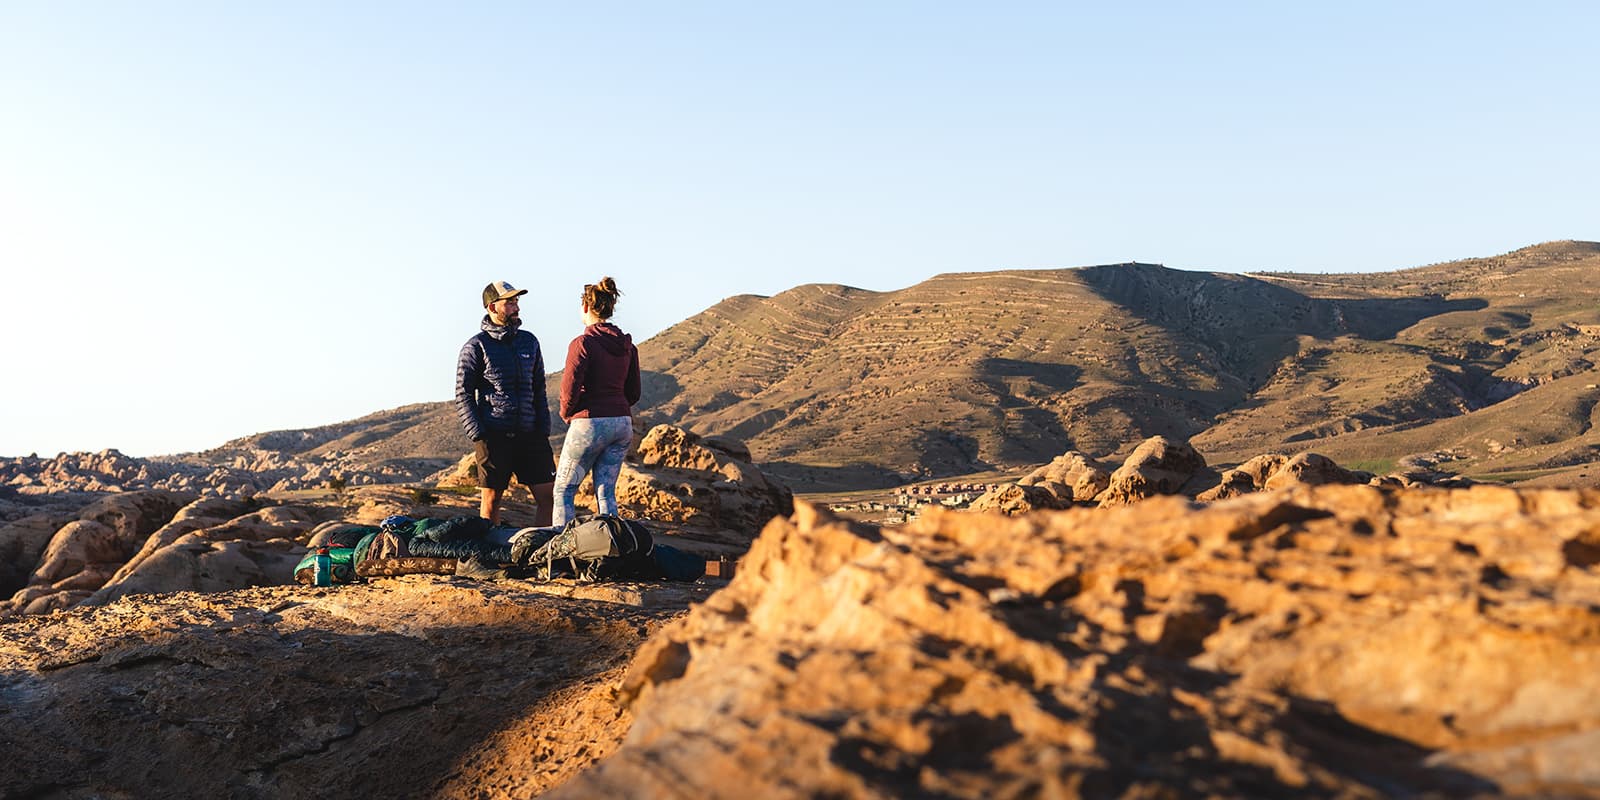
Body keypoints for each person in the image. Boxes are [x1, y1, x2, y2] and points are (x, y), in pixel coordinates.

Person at [456, 280, 555, 526]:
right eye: (510, 302)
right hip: (494, 435)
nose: (516, 307)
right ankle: (487, 560)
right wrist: (478, 433)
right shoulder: (476, 346)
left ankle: (543, 556)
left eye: (516, 301)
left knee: (549, 498)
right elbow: (463, 392)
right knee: (491, 501)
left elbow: (539, 388)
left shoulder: (529, 341)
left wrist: (543, 427)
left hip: (531, 435)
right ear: (492, 306)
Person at [552, 277, 641, 527]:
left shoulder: (583, 343)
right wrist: (618, 406)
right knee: (606, 493)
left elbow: (568, 390)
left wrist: (569, 414)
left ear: (585, 308)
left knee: (564, 492)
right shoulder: (627, 346)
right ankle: (611, 551)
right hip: (622, 423)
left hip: (590, 423)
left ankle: (561, 554)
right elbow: (634, 391)